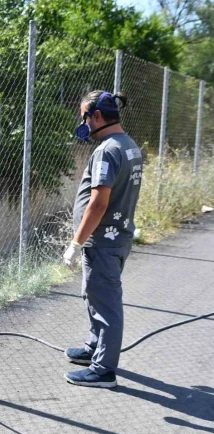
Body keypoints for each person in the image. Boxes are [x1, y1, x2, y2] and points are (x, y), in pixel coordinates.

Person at [63, 90, 143, 388]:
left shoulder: (107, 149)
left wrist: (75, 243)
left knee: (106, 305)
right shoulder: (129, 145)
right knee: (95, 295)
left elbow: (98, 203)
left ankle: (103, 370)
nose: (81, 122)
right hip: (116, 237)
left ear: (96, 116)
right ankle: (94, 347)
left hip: (104, 241)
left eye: (83, 116)